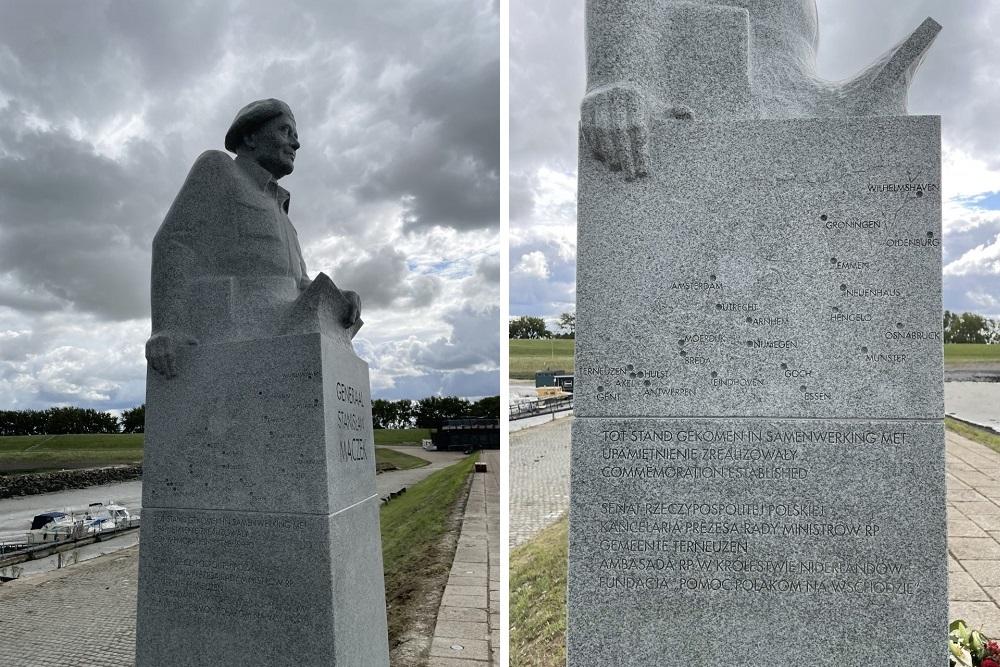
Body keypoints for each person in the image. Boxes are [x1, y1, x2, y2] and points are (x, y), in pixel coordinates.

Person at [145, 99, 360, 378]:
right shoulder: (218, 167)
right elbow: (175, 242)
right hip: (234, 328)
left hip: (284, 326)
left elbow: (299, 282)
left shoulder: (282, 211)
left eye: (295, 136)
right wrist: (167, 327)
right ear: (250, 136)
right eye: (285, 131)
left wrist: (337, 300)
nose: (296, 144)